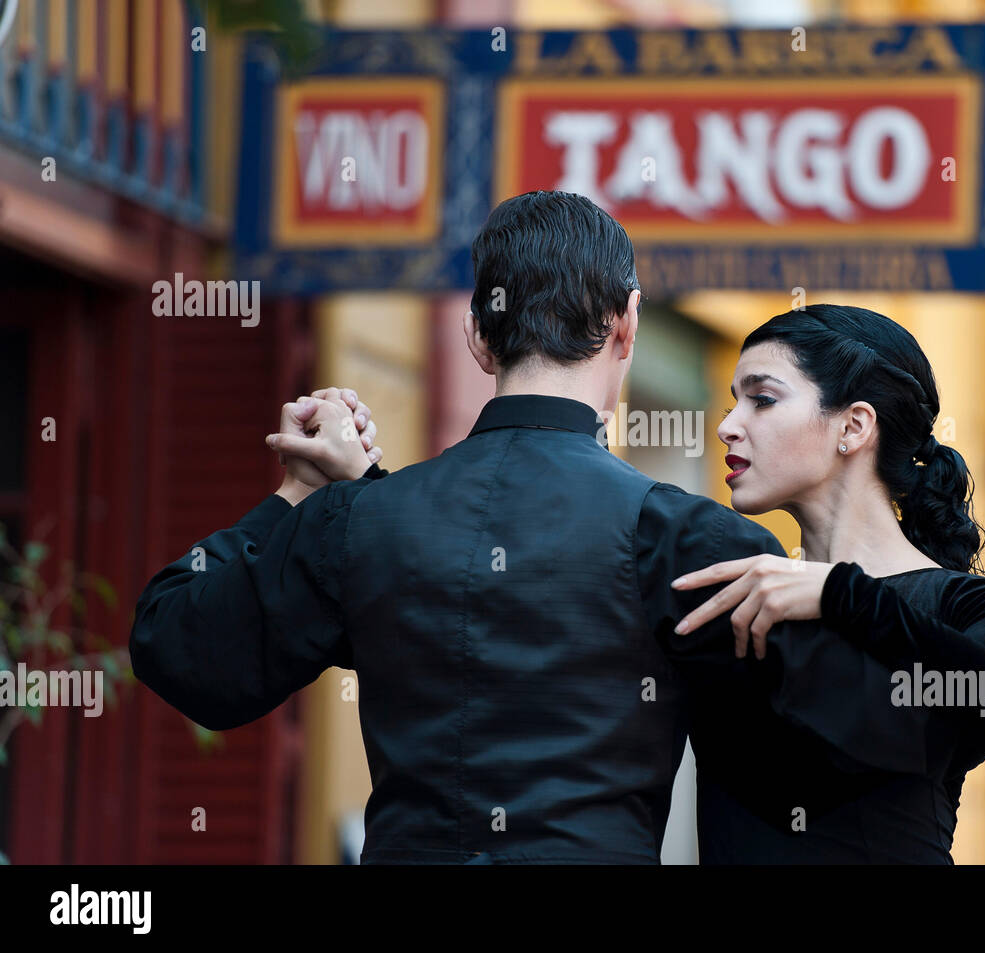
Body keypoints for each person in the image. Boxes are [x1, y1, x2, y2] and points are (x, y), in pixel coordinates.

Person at [128, 191, 927, 864]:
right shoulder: (692, 543)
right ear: (627, 327)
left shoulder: (362, 522)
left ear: (479, 334)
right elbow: (858, 749)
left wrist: (298, 491)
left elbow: (183, 650)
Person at [670, 303, 985, 862]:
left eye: (761, 399)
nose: (727, 424)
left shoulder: (959, 602)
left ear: (853, 426)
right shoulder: (752, 590)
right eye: (735, 400)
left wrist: (844, 597)